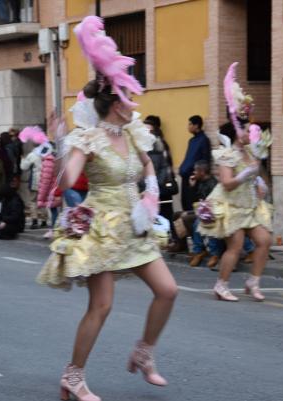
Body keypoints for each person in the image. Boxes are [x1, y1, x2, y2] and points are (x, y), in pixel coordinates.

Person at [37, 17, 178, 401]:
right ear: (115, 102)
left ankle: (144, 353)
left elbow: (146, 164)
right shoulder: (90, 138)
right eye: (129, 97)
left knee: (168, 290)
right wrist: (61, 142)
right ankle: (74, 376)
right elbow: (68, 183)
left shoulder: (132, 134)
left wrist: (150, 191)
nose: (135, 103)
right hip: (101, 227)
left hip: (135, 225)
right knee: (102, 306)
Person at [199, 62, 272, 302]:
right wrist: (245, 175)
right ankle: (222, 285)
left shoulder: (252, 152)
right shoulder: (226, 154)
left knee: (264, 241)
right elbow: (228, 183)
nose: (248, 131)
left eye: (249, 127)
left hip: (249, 205)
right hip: (231, 205)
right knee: (236, 246)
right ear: (236, 131)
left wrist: (260, 183)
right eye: (244, 128)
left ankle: (254, 281)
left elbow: (256, 174)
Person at [143, 115, 176, 223]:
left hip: (162, 190)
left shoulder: (161, 145)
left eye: (149, 130)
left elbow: (166, 167)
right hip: (145, 191)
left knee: (164, 218)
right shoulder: (140, 148)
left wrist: (155, 184)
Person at [178, 115, 211, 211]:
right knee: (184, 202)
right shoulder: (191, 141)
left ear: (196, 126)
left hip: (194, 178)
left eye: (190, 124)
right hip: (185, 177)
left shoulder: (204, 140)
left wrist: (199, 175)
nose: (188, 126)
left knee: (191, 204)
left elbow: (205, 160)